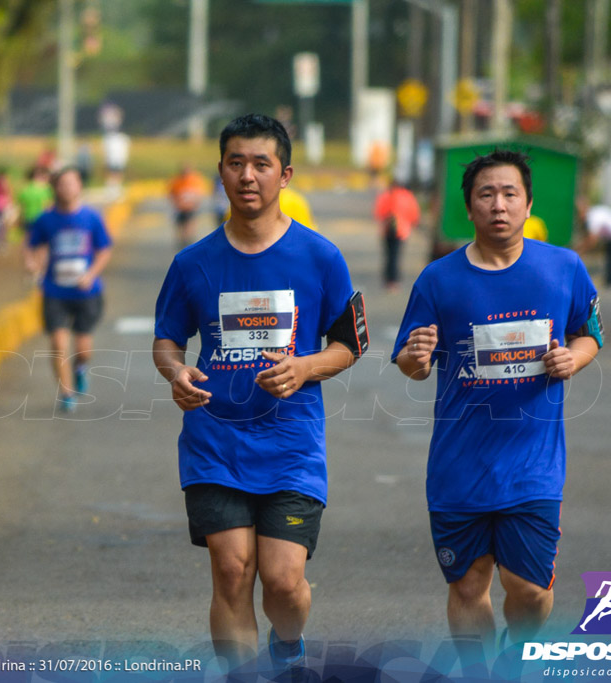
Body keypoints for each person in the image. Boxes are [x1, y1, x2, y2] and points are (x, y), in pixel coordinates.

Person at [153, 114, 366, 672]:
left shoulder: (321, 257)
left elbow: (351, 343)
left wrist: (306, 368)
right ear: (220, 172)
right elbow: (167, 342)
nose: (248, 175)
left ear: (285, 174)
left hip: (292, 444)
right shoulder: (192, 263)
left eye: (261, 164)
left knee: (283, 581)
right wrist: (176, 373)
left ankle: (289, 643)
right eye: (236, 163)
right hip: (214, 441)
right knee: (231, 571)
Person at [393, 149, 603, 652]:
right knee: (468, 585)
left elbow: (588, 333)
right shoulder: (438, 279)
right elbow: (410, 360)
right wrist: (417, 359)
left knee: (529, 592)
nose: (499, 205)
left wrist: (573, 359)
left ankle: (515, 651)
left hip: (533, 466)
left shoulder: (564, 268)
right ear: (469, 208)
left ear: (529, 204)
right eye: (486, 194)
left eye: (510, 194)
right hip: (458, 467)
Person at [25, 167, 113, 413]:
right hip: (55, 291)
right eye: (61, 184)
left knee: (83, 350)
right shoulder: (46, 219)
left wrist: (91, 274)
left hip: (87, 292)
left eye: (71, 183)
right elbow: (31, 245)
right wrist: (31, 263)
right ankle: (66, 393)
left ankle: (80, 368)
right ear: (54, 188)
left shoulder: (92, 218)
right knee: (57, 342)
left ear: (79, 186)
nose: (67, 188)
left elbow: (104, 250)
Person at [374, 178, 420, 292]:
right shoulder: (407, 196)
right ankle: (394, 280)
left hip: (386, 229)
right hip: (402, 230)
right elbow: (414, 212)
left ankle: (388, 279)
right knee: (396, 255)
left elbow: (379, 212)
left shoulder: (385, 196)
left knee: (389, 255)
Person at [168, 163, 208, 249]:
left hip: (191, 207)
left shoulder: (195, 180)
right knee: (180, 225)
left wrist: (196, 203)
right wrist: (175, 203)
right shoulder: (176, 181)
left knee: (190, 224)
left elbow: (199, 194)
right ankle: (183, 240)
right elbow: (171, 193)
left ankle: (189, 240)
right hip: (180, 207)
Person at [583, 203, 611, 287]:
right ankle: (610, 280)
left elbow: (592, 240)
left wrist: (581, 250)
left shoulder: (591, 218)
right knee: (610, 257)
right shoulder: (593, 213)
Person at [16, 165, 53, 235]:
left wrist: (20, 219)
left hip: (28, 218)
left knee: (29, 239)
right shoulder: (46, 189)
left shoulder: (26, 189)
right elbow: (49, 206)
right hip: (41, 219)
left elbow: (20, 206)